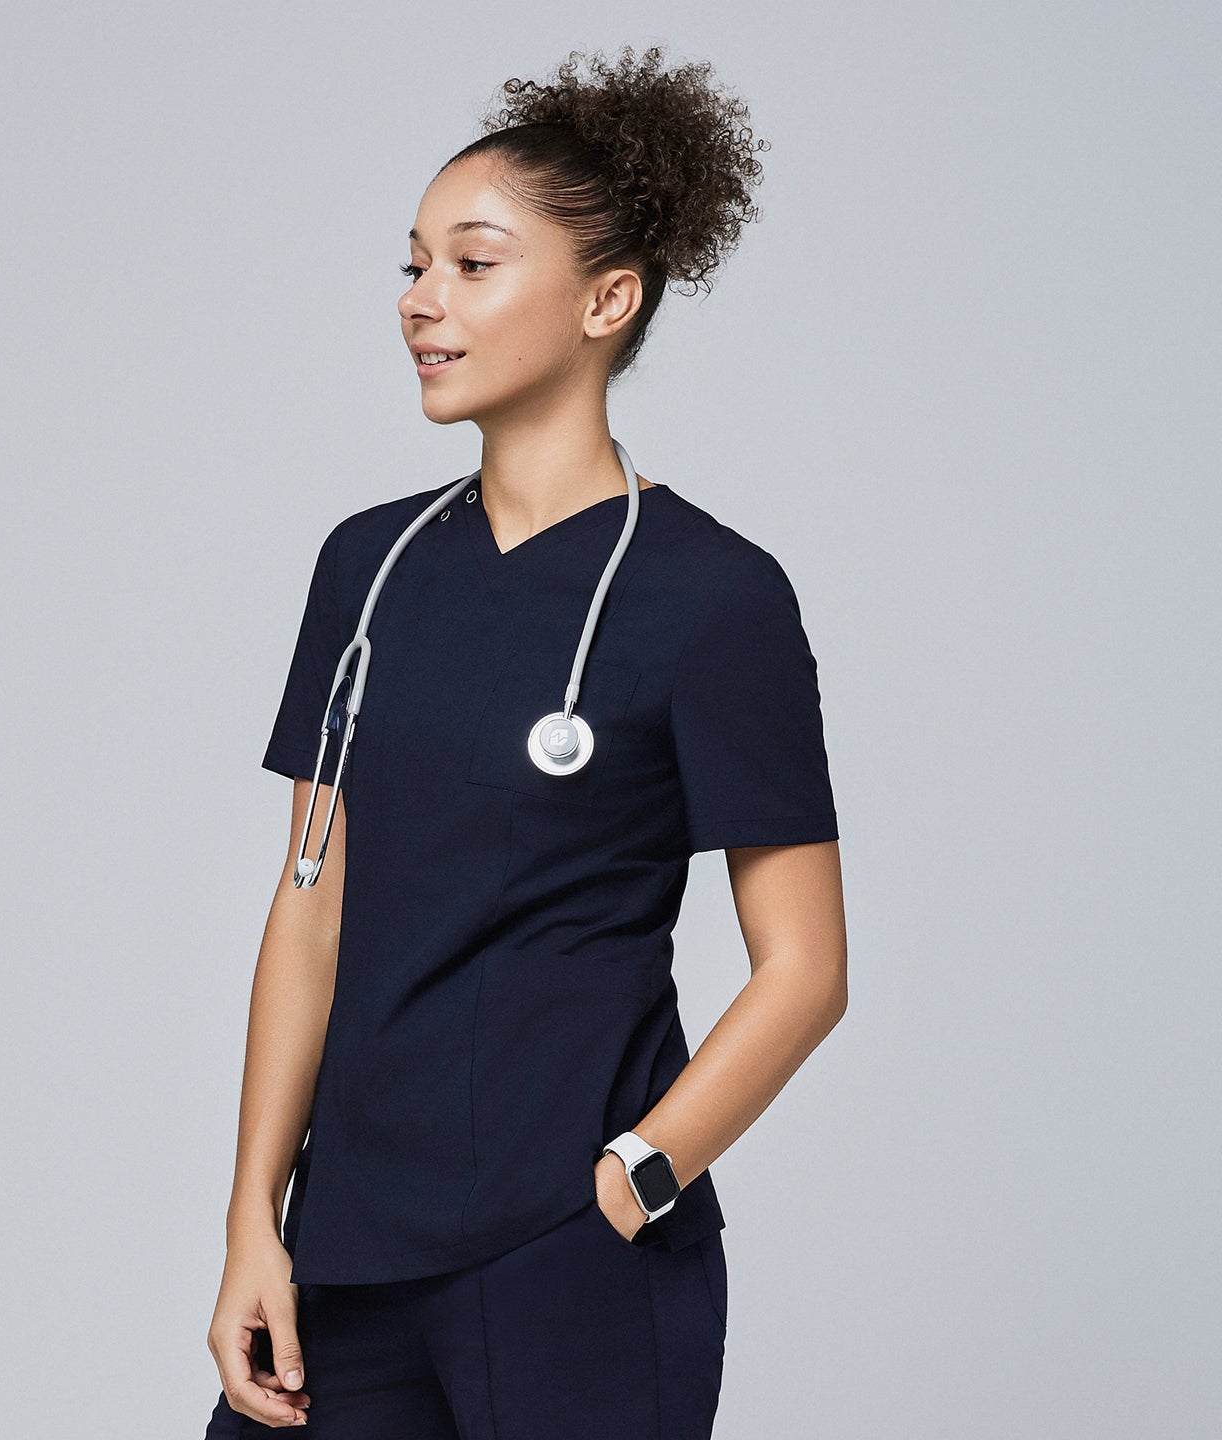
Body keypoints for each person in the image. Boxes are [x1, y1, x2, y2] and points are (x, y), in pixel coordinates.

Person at [204, 44, 848, 1438]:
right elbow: (310, 909)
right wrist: (257, 1220)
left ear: (606, 300)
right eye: (415, 263)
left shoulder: (714, 597)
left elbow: (805, 968)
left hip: (569, 1256)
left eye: (472, 266)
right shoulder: (368, 568)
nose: (419, 302)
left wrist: (637, 1177)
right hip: (345, 1252)